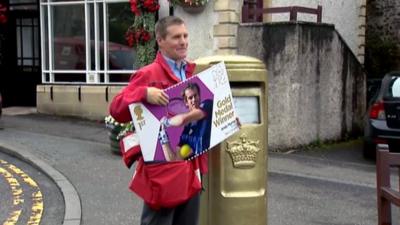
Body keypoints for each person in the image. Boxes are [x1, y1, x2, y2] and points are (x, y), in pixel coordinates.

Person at [109, 16, 207, 225]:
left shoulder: (190, 73)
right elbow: (116, 109)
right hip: (163, 171)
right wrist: (143, 92)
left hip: (190, 166)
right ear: (160, 41)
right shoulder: (148, 74)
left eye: (185, 36)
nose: (183, 41)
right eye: (176, 37)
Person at [159, 82, 212, 160]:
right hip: (196, 169)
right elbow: (173, 160)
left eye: (195, 95)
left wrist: (166, 122)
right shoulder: (186, 133)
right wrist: (162, 135)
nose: (194, 99)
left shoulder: (207, 105)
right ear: (186, 102)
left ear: (199, 96)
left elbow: (183, 120)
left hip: (211, 161)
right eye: (190, 98)